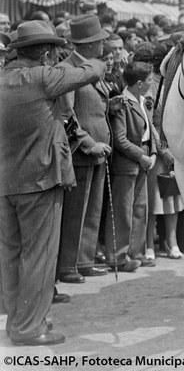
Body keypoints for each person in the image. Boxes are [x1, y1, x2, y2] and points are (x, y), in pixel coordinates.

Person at [0, 20, 105, 345]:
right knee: (39, 256)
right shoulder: (43, 78)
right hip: (41, 180)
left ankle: (17, 322)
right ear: (46, 53)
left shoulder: (4, 81)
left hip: (6, 183)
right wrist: (83, 51)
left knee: (12, 256)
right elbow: (93, 71)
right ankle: (30, 328)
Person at [56, 15, 112, 284]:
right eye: (100, 40)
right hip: (80, 152)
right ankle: (68, 265)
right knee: (75, 212)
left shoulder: (91, 66)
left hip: (99, 151)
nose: (103, 44)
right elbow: (67, 114)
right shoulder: (69, 69)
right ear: (89, 44)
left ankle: (84, 259)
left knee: (92, 209)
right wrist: (89, 143)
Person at [104, 61, 157, 271]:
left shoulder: (142, 101)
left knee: (140, 209)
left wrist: (152, 152)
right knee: (122, 211)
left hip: (143, 159)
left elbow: (150, 130)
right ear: (139, 83)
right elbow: (120, 139)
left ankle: (137, 251)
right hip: (128, 163)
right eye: (150, 80)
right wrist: (141, 156)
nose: (152, 84)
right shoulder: (123, 102)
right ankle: (118, 256)